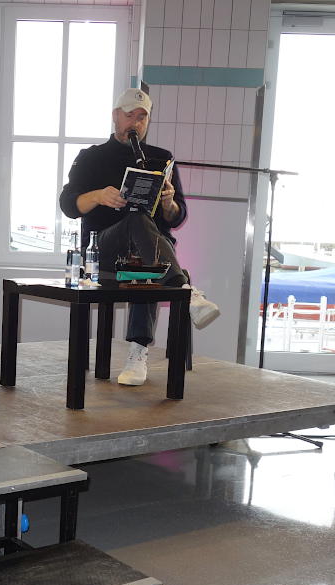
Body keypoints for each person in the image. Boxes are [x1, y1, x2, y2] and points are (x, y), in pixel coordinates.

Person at [59, 88, 220, 387]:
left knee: (148, 262)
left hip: (149, 255)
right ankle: (184, 289)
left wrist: (169, 203)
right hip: (103, 251)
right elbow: (68, 206)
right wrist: (98, 196)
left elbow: (178, 216)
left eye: (142, 117)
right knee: (135, 216)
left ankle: (137, 351)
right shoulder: (91, 157)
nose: (135, 122)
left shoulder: (162, 158)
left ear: (148, 121)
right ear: (115, 116)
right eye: (129, 115)